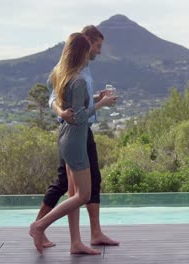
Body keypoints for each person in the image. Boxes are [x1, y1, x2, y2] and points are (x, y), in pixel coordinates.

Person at [29, 32, 117, 254]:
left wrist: (97, 98)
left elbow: (74, 106)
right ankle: (39, 226)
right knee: (83, 195)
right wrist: (102, 104)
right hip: (76, 139)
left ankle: (75, 243)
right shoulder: (77, 80)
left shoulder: (65, 74)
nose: (93, 52)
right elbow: (79, 116)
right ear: (81, 51)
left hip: (66, 136)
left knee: (72, 192)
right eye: (90, 48)